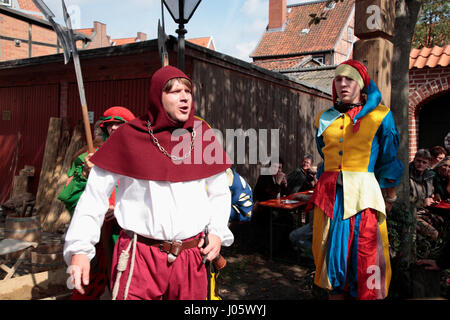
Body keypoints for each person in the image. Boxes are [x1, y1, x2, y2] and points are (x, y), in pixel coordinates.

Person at [63, 66, 233, 300]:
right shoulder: (128, 136)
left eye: (187, 91)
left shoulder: (202, 135)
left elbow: (219, 193)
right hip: (140, 254)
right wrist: (80, 249)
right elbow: (94, 197)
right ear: (157, 96)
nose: (184, 96)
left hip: (190, 255)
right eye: (174, 92)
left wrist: (216, 233)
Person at [307, 59, 404, 300]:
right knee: (332, 259)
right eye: (338, 79)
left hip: (363, 198)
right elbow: (324, 151)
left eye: (349, 79)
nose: (343, 84)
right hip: (330, 199)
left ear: (361, 84)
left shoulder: (381, 115)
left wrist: (389, 195)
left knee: (366, 257)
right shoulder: (324, 118)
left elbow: (389, 159)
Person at [58, 106, 135, 300]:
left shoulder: (139, 158)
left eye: (120, 124)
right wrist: (84, 174)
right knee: (90, 287)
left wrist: (119, 209)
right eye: (110, 125)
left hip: (129, 236)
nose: (115, 128)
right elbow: (71, 200)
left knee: (127, 287)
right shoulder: (88, 158)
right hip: (97, 235)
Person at [409, 149, 440, 241]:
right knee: (434, 234)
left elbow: (430, 194)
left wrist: (432, 198)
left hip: (425, 211)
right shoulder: (406, 174)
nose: (420, 164)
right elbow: (405, 199)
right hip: (412, 213)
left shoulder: (429, 176)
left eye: (424, 162)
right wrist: (423, 201)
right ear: (414, 160)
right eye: (418, 161)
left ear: (428, 163)